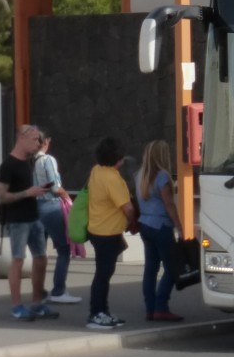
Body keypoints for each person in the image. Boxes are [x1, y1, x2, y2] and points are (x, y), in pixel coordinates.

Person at [0, 124, 57, 321]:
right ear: (22, 137)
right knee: (18, 260)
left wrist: (36, 191)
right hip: (18, 220)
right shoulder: (9, 165)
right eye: (34, 139)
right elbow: (1, 196)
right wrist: (28, 193)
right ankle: (17, 306)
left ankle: (37, 302)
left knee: (41, 258)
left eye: (39, 139)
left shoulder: (28, 162)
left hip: (33, 216)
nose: (37, 143)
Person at [85, 136, 135, 331]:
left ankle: (102, 311)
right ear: (118, 158)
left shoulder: (96, 171)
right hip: (109, 233)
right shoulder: (113, 179)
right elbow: (128, 208)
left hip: (97, 229)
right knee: (103, 275)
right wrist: (131, 222)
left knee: (103, 273)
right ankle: (96, 313)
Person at [136, 140, 184, 322]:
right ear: (162, 155)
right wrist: (179, 225)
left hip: (145, 224)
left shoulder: (140, 175)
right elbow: (169, 204)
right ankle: (161, 306)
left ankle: (150, 308)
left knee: (150, 268)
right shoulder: (162, 176)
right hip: (161, 225)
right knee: (173, 266)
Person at [33, 130, 81, 305]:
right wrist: (68, 198)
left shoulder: (28, 161)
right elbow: (55, 187)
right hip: (51, 206)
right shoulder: (48, 160)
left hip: (34, 208)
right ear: (46, 141)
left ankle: (38, 292)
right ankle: (58, 290)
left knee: (40, 253)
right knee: (63, 249)